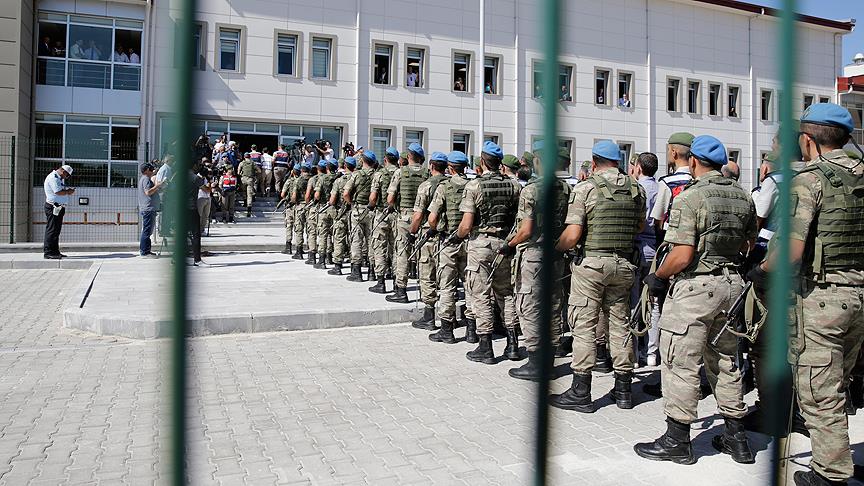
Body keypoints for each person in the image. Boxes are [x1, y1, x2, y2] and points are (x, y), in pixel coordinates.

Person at [750, 103, 864, 485]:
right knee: (838, 385)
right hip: (859, 298)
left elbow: (791, 252)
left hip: (822, 300)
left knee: (819, 392)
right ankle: (836, 457)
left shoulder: (809, 180)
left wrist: (762, 272)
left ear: (807, 139)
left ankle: (830, 475)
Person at [634, 135, 756, 465]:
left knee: (681, 363)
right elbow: (749, 242)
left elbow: (683, 254)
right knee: (726, 361)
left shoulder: (691, 197)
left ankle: (677, 439)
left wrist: (658, 276)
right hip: (732, 286)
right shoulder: (743, 196)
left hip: (696, 289)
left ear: (693, 162)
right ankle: (737, 438)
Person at [550, 140, 645, 412]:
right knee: (620, 324)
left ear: (594, 161)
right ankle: (624, 390)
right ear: (618, 161)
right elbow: (639, 225)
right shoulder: (635, 188)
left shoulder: (586, 188)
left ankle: (581, 391)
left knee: (584, 325)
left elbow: (572, 234)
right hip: (625, 265)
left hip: (591, 265)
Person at [506, 144, 573, 381]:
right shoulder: (565, 188)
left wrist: (510, 245)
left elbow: (525, 230)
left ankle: (535, 362)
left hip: (535, 255)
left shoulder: (533, 190)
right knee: (554, 306)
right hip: (556, 254)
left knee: (530, 307)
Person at [455, 141, 522, 363]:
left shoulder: (474, 186)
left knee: (481, 294)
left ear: (482, 162)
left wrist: (456, 236)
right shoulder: (514, 185)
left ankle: (485, 346)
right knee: (506, 293)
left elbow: (466, 225)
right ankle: (513, 344)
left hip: (481, 246)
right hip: (506, 245)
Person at [426, 150, 476, 343]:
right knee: (470, 285)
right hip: (470, 241)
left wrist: (435, 228)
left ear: (450, 168)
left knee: (447, 286)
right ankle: (472, 331)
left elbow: (432, 218)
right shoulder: (474, 184)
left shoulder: (444, 187)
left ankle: (447, 329)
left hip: (449, 241)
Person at [407, 151, 448, 330]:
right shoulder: (451, 183)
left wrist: (412, 232)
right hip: (449, 236)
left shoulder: (426, 186)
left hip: (429, 235)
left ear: (431, 165)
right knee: (446, 277)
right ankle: (451, 319)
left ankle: (429, 316)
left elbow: (418, 216)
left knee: (427, 274)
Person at [628, 152, 661, 367]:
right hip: (656, 251)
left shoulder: (635, 188)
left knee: (634, 301)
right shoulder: (662, 188)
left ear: (638, 168)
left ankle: (634, 352)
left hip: (637, 248)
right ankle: (651, 353)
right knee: (654, 302)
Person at [386, 143, 429, 302]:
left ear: (409, 156)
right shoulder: (427, 173)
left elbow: (390, 198)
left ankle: (401, 291)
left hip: (404, 217)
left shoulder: (400, 172)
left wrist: (395, 205)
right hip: (422, 217)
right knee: (423, 255)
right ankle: (426, 293)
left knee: (402, 253)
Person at [650, 133, 694, 244]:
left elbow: (658, 220)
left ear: (674, 153)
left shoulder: (667, 182)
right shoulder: (699, 180)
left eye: (669, 150)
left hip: (672, 240)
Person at [368, 147, 399, 293]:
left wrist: (371, 206)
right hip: (397, 215)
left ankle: (380, 282)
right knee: (396, 248)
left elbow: (373, 198)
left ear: (385, 159)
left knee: (379, 246)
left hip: (382, 214)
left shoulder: (379, 174)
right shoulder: (402, 173)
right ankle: (395, 280)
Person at [342, 151, 377, 281]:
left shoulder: (356, 175)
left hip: (357, 210)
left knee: (356, 239)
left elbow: (346, 194)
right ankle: (372, 272)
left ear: (362, 161)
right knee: (371, 241)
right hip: (372, 211)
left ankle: (356, 272)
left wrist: (351, 203)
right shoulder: (377, 175)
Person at [43, 165, 75, 259]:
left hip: (58, 207)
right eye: (67, 175)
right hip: (53, 207)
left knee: (56, 230)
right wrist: (68, 192)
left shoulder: (58, 178)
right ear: (63, 171)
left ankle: (55, 251)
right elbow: (57, 192)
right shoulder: (53, 178)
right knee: (52, 229)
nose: (67, 177)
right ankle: (48, 252)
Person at [313, 158, 340, 269]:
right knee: (336, 235)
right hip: (337, 209)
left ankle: (322, 260)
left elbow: (317, 196)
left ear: (327, 168)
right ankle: (333, 258)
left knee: (323, 234)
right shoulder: (339, 178)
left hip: (324, 208)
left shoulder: (322, 179)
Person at [328, 158, 353, 275]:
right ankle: (355, 266)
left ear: (345, 165)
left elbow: (332, 200)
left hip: (342, 212)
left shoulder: (339, 181)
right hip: (355, 212)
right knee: (355, 239)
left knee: (339, 238)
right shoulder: (358, 177)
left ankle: (338, 265)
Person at [138, 163, 162, 256]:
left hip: (148, 208)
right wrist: (158, 185)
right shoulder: (146, 179)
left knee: (147, 230)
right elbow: (148, 192)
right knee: (147, 231)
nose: (152, 170)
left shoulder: (144, 179)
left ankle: (146, 250)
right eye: (151, 169)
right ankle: (145, 251)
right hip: (148, 209)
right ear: (147, 169)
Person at [304, 160, 325, 265]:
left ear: (317, 169)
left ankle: (312, 255)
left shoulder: (313, 179)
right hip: (326, 207)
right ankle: (327, 256)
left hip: (315, 206)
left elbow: (308, 195)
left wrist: (309, 205)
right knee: (325, 233)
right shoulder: (330, 178)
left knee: (312, 231)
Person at [291, 163, 312, 260]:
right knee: (310, 230)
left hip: (300, 206)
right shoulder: (313, 179)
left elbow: (294, 196)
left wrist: (293, 202)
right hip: (310, 206)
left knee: (299, 229)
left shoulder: (298, 180)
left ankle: (299, 251)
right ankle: (310, 251)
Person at [196, 166, 212, 235]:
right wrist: (208, 188)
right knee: (199, 215)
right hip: (200, 197)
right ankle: (197, 229)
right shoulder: (197, 177)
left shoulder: (206, 178)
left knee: (206, 215)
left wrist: (210, 186)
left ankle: (202, 229)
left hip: (207, 197)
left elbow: (209, 188)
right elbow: (205, 188)